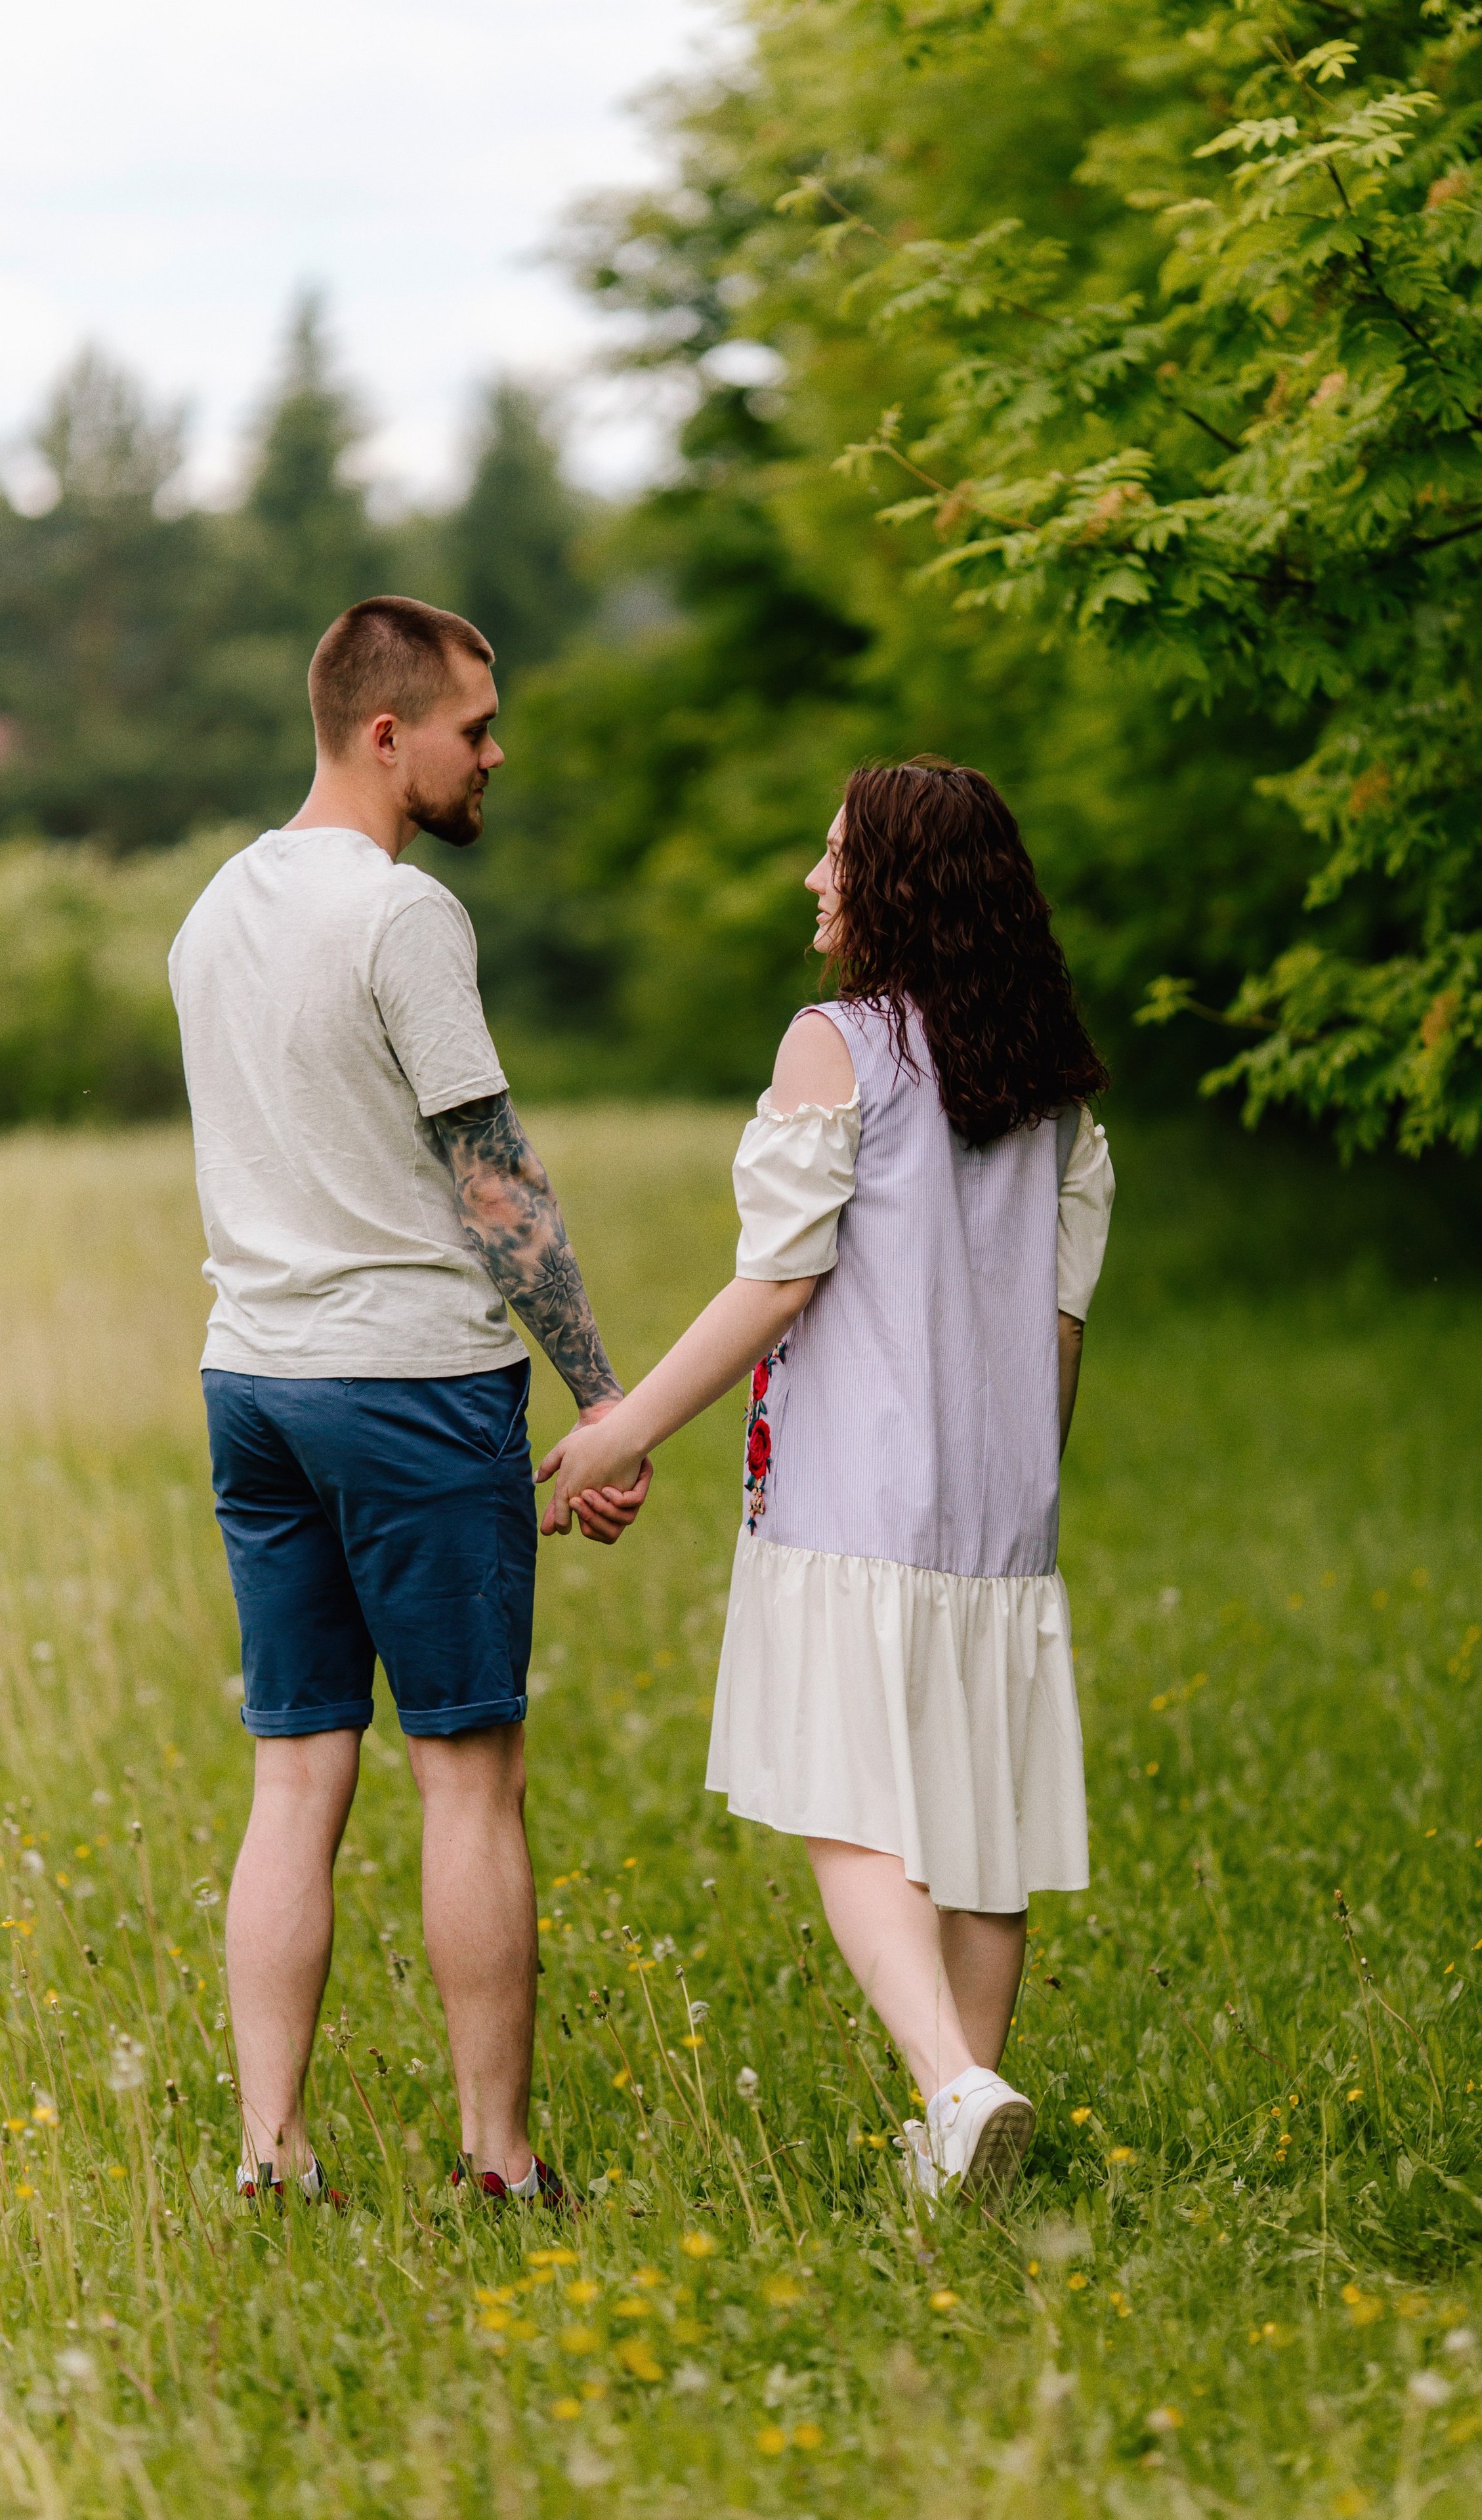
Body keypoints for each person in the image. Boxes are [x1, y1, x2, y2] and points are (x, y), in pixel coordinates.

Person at [540, 759, 1113, 2204]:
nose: (813, 878)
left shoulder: (834, 1045)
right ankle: (955, 2144)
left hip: (851, 1500)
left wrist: (625, 1431)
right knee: (980, 1829)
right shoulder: (1050, 1082)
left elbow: (777, 1280)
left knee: (849, 1809)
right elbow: (1057, 1330)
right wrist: (1019, 1498)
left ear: (901, 884)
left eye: (836, 854)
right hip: (1001, 1518)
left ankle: (955, 2083)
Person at [168, 595, 649, 2207]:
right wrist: (607, 1398)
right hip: (411, 1386)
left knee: (295, 1769)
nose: (492, 754)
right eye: (474, 727)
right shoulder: (402, 915)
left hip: (253, 1381)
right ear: (388, 734)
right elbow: (494, 1181)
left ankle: (270, 2151)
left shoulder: (214, 910)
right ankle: (499, 2164)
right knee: (467, 1771)